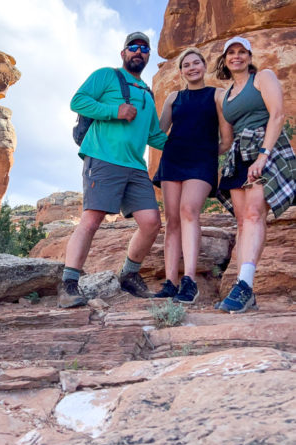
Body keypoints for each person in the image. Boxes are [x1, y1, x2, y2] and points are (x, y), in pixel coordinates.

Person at [61, 32, 168, 306]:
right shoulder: (106, 75)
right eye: (133, 47)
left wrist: (189, 146)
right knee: (92, 219)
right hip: (103, 158)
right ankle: (68, 285)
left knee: (151, 223)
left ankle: (129, 276)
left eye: (144, 48)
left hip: (135, 166)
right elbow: (78, 101)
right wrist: (115, 111)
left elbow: (154, 135)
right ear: (123, 53)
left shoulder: (146, 92)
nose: (138, 52)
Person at [214, 36, 296, 312]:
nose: (236, 56)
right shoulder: (225, 96)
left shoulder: (263, 77)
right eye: (231, 53)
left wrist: (263, 155)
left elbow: (277, 115)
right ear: (224, 60)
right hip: (238, 154)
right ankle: (242, 288)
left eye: (241, 52)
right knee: (242, 221)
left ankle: (245, 285)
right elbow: (226, 140)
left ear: (249, 56)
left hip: (264, 147)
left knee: (253, 214)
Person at [152, 48, 234, 303]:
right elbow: (158, 131)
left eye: (196, 63)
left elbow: (227, 138)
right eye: (186, 65)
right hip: (173, 160)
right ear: (181, 71)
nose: (191, 68)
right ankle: (170, 282)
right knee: (172, 219)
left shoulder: (217, 95)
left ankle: (189, 281)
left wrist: (207, 152)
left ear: (204, 66)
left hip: (201, 162)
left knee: (189, 210)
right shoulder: (173, 97)